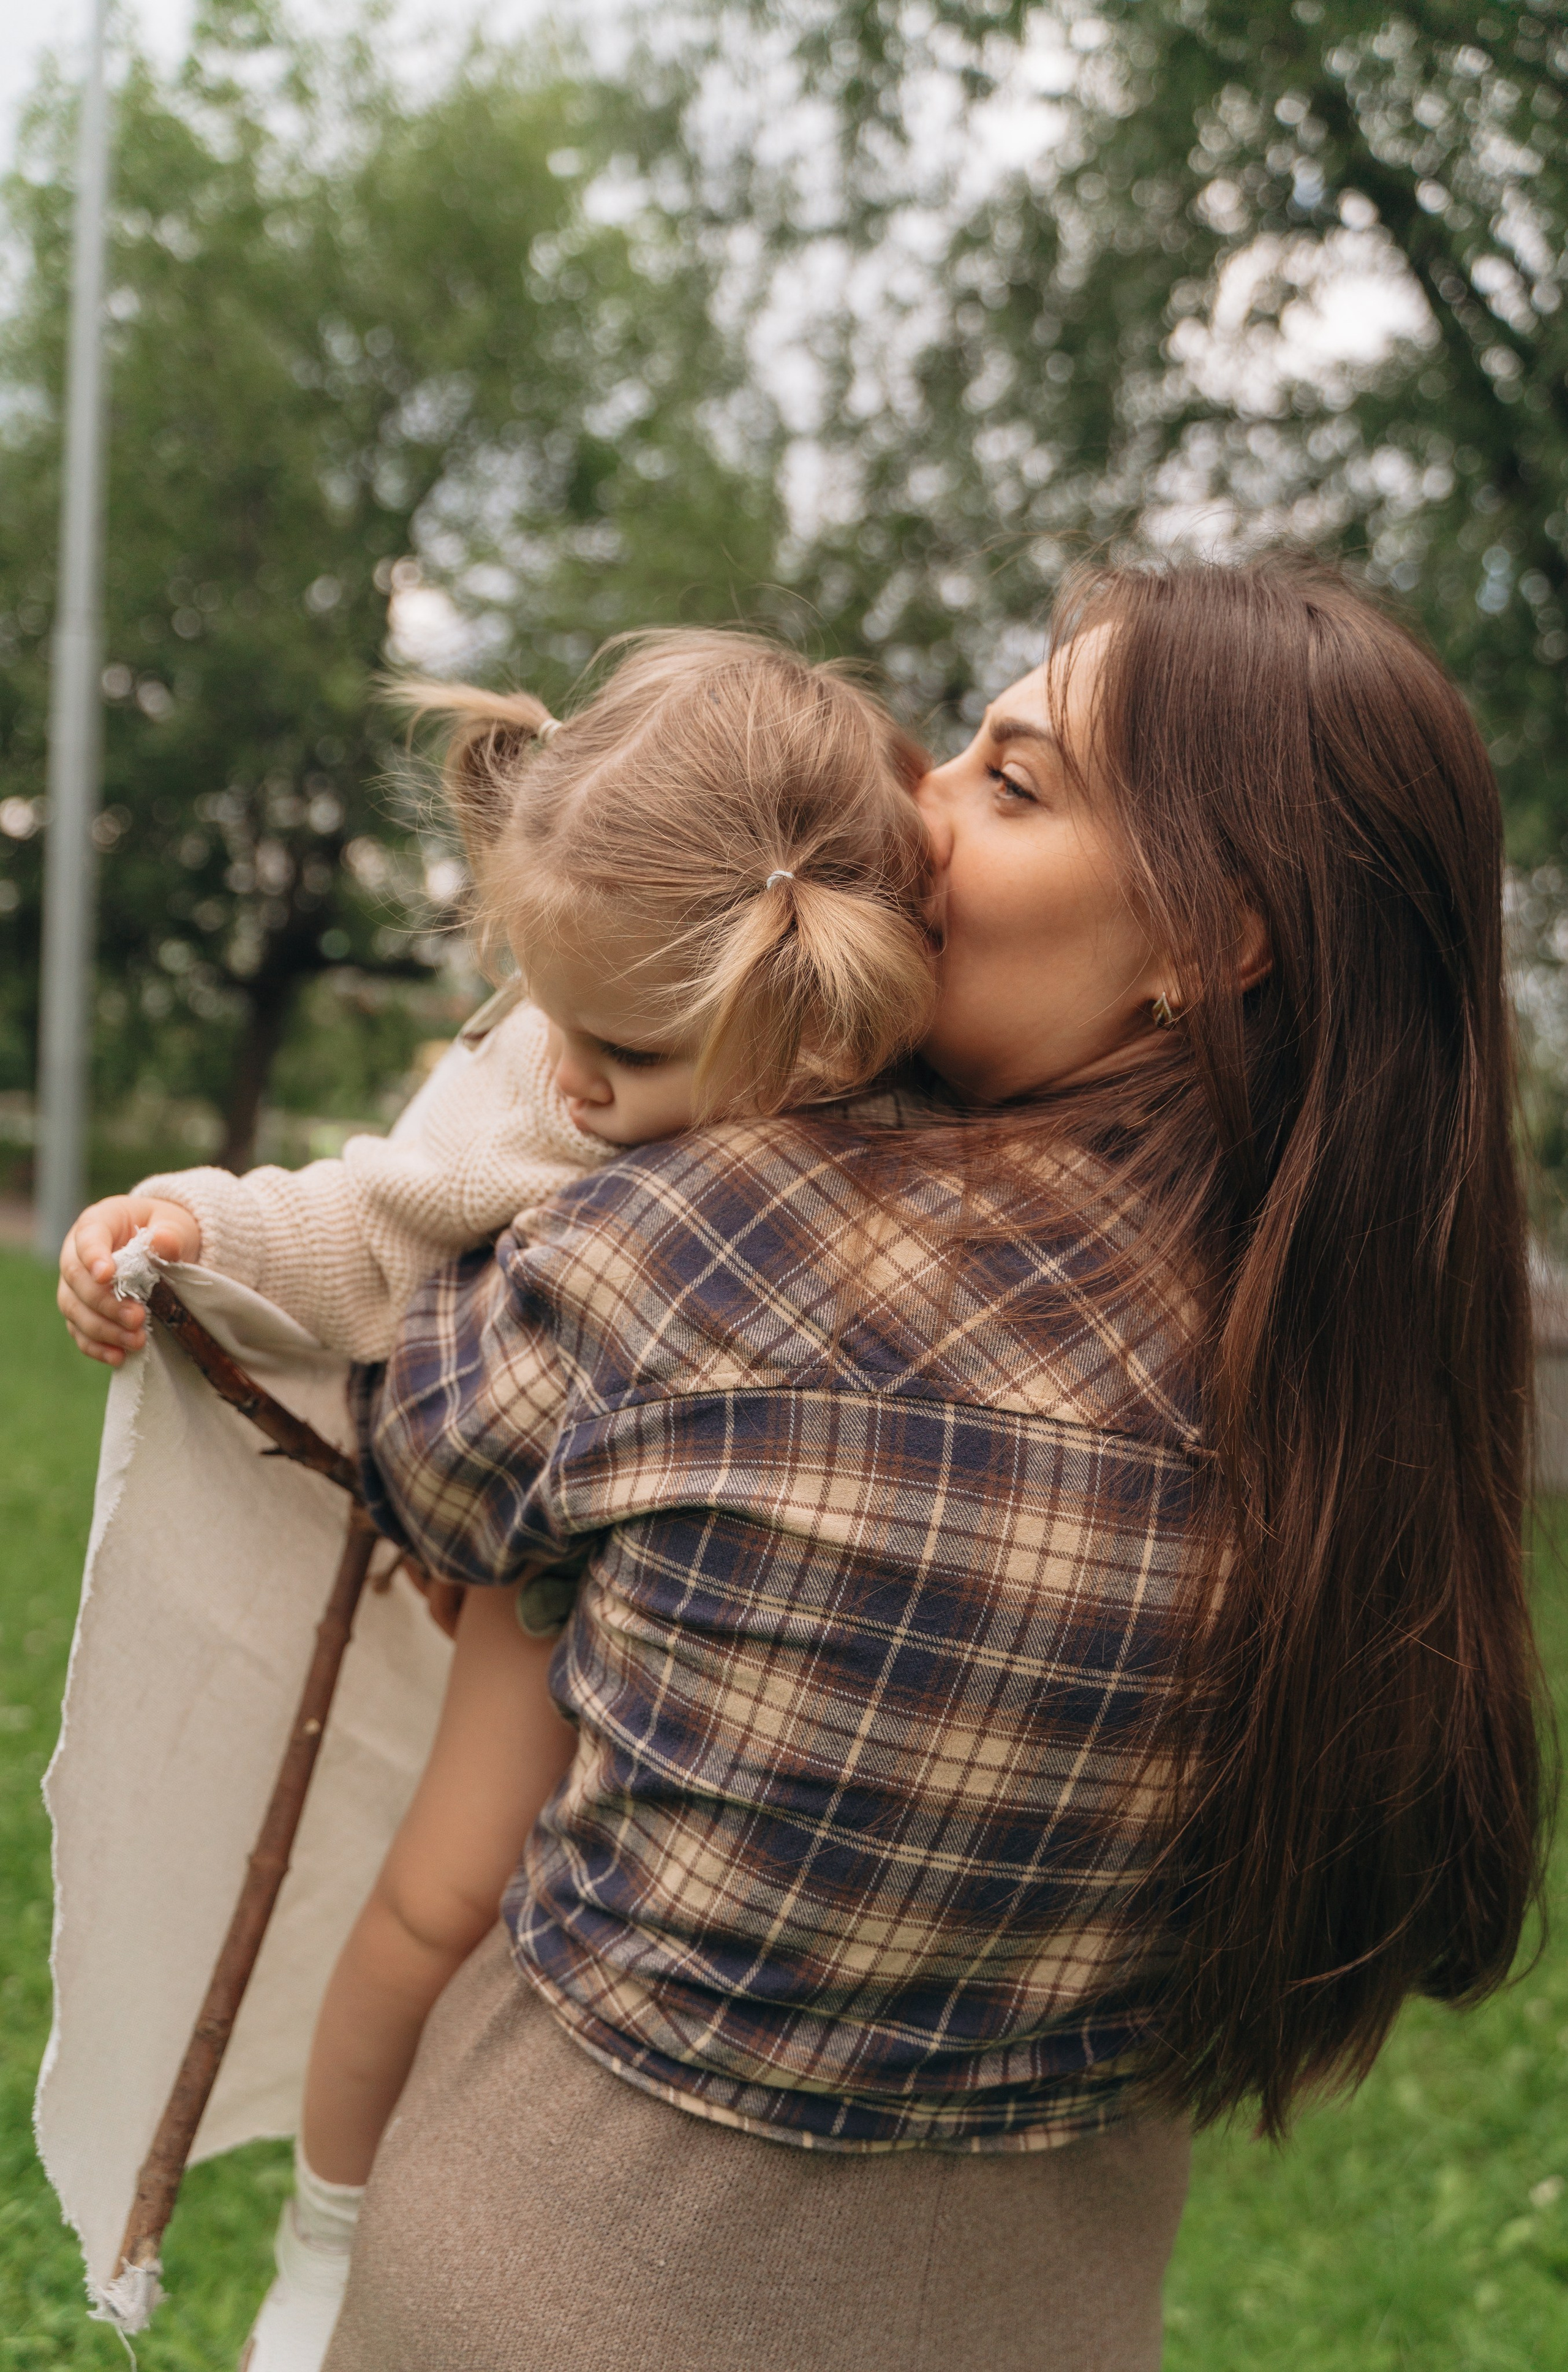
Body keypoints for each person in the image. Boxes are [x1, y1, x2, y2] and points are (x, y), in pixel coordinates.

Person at [321, 557, 1544, 2372]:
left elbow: (423, 1455)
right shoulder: (1376, 1425)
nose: (919, 807)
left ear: (1214, 941)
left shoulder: (722, 1232)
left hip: (556, 2274)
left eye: (1012, 779)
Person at [52, 630, 937, 2372]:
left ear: (814, 1013)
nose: (578, 1078)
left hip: (793, 1671)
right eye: (553, 1019)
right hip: (558, 1587)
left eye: (625, 1045)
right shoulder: (567, 1102)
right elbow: (385, 1221)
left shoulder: (912, 1111)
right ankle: (330, 2232)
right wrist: (194, 1224)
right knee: (439, 1898)